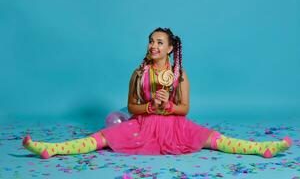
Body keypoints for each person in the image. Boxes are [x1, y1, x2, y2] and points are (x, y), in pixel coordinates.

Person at [23, 27, 292, 159]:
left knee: (215, 139)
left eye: (159, 42)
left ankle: (262, 148)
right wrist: (151, 107)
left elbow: (184, 108)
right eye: (151, 41)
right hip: (142, 124)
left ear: (171, 48)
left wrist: (169, 104)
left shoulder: (180, 75)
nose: (153, 45)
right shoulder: (139, 73)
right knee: (101, 137)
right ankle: (51, 148)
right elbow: (131, 106)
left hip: (175, 126)